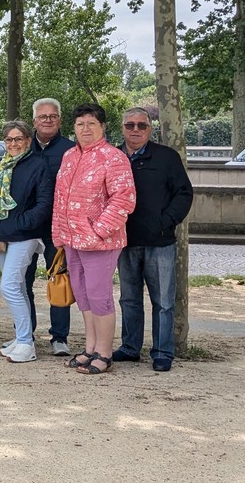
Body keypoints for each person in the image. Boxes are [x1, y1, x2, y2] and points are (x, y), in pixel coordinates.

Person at [52, 103, 137, 375]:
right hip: (72, 240)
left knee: (100, 296)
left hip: (100, 242)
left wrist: (98, 230)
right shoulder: (69, 156)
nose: (85, 128)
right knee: (83, 295)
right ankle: (90, 348)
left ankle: (104, 352)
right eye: (80, 124)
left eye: (91, 123)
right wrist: (59, 233)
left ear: (103, 127)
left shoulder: (114, 158)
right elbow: (60, 197)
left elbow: (123, 199)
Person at [113, 107, 194, 372]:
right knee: (129, 299)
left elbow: (184, 193)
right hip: (124, 241)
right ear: (122, 128)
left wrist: (165, 221)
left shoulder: (167, 157)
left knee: (163, 302)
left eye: (142, 125)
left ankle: (162, 351)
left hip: (159, 242)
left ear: (150, 129)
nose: (135, 130)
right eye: (130, 125)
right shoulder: (113, 157)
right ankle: (130, 347)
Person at [0, 120, 53, 363]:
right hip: (2, 235)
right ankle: (22, 337)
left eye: (18, 139)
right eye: (9, 139)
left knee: (9, 286)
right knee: (19, 288)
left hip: (25, 235)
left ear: (28, 141)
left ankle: (26, 343)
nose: (13, 143)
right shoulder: (2, 165)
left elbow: (44, 203)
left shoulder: (38, 165)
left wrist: (21, 223)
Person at [21, 98, 77, 356]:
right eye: (43, 116)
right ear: (34, 121)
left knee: (60, 281)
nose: (48, 120)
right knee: (23, 282)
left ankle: (60, 337)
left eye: (53, 116)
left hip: (58, 229)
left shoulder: (71, 150)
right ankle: (25, 334)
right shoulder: (22, 146)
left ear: (60, 120)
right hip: (26, 227)